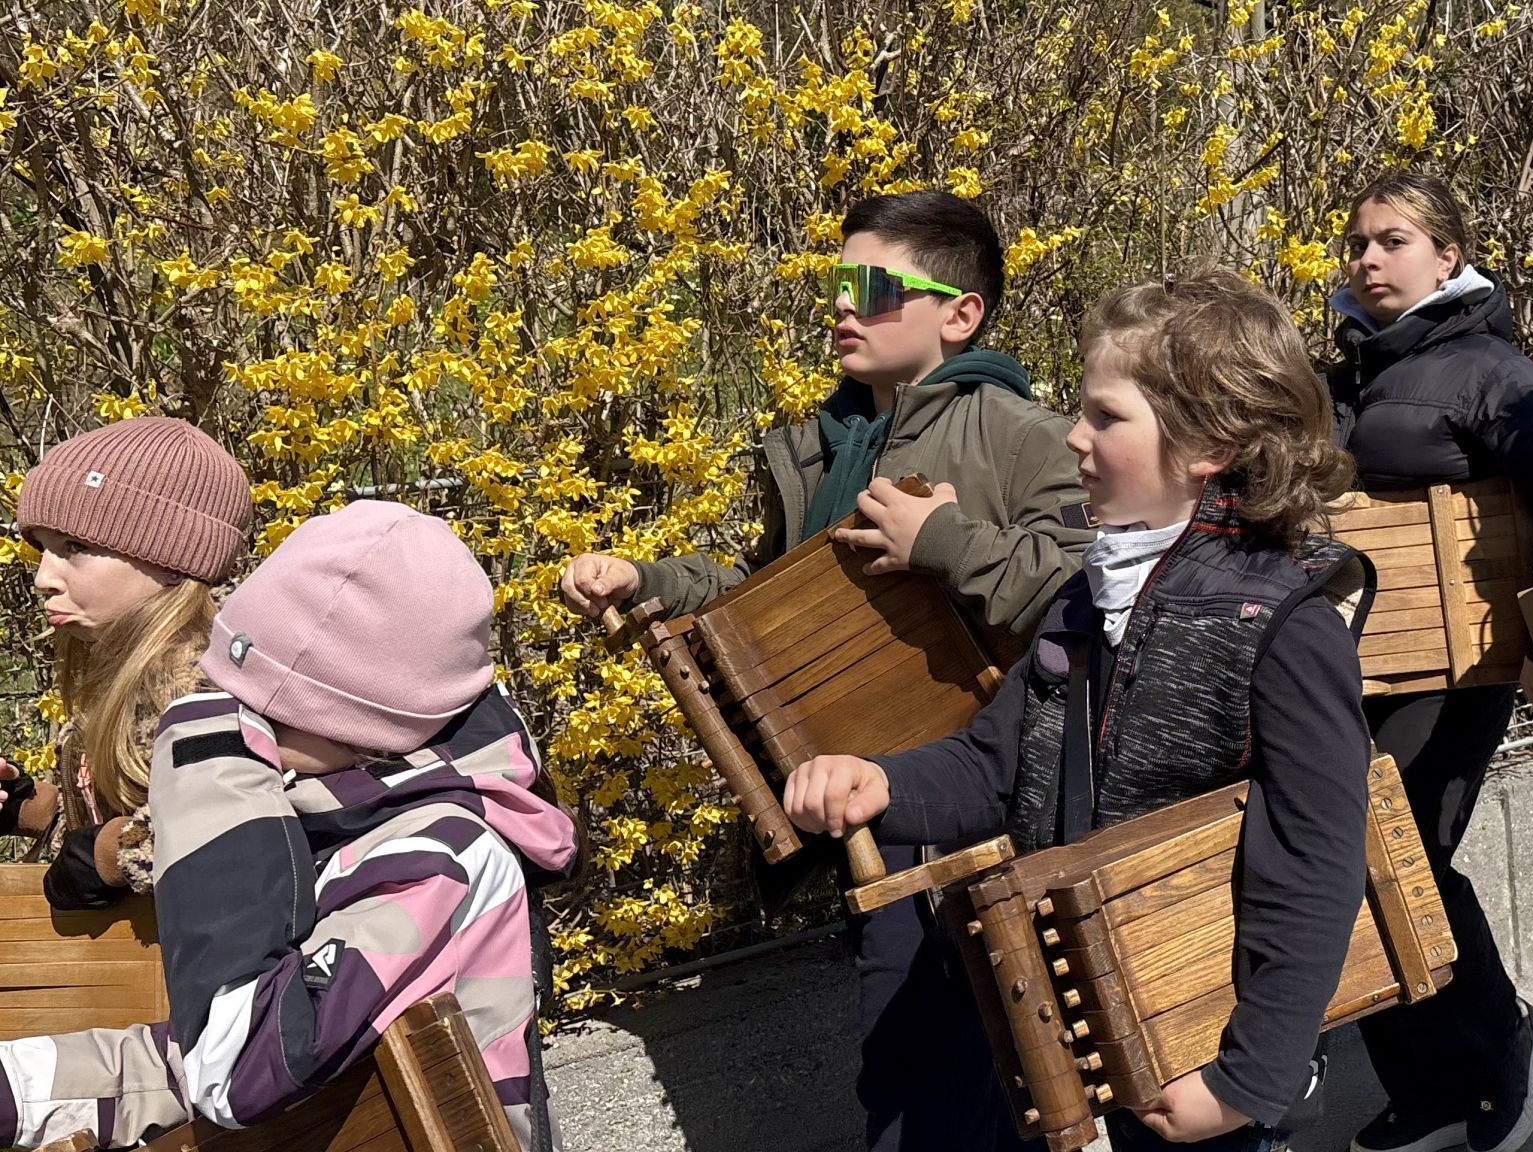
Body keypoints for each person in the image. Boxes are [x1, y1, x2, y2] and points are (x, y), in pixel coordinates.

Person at [556, 189, 1093, 1151]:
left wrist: (949, 543)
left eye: (875, 287)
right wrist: (650, 578)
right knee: (898, 1065)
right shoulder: (822, 445)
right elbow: (766, 593)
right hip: (856, 804)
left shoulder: (1023, 435)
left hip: (977, 806)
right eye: (838, 285)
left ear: (960, 315)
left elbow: (1088, 593)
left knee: (980, 1072)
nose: (844, 306)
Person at [783, 269, 1370, 1150]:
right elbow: (994, 764)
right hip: (1091, 1006)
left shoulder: (1283, 621)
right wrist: (878, 783)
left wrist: (1249, 1080)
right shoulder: (1085, 596)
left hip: (1200, 1032)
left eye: (1106, 416)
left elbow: (1318, 865)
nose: (1073, 437)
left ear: (1208, 442)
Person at [0, 500, 578, 1152]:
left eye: (251, 701)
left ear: (355, 719)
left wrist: (205, 767)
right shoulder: (350, 820)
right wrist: (19, 1089)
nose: (228, 712)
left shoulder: (438, 859)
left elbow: (230, 1068)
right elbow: (186, 1063)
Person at [1325, 172, 1533, 1152]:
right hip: (1347, 659)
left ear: (1447, 257)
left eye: (1389, 241)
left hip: (1457, 659)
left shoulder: (1487, 365)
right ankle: (1428, 1089)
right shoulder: (1341, 374)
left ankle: (1496, 1045)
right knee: (1339, 860)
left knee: (1402, 851)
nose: (1365, 259)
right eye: (1355, 243)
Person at [0, 416, 251, 910]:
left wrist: (108, 856)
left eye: (75, 547)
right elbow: (134, 812)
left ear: (171, 559)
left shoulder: (205, 684)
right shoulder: (125, 664)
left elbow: (230, 834)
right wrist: (32, 808)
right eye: (43, 549)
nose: (43, 578)